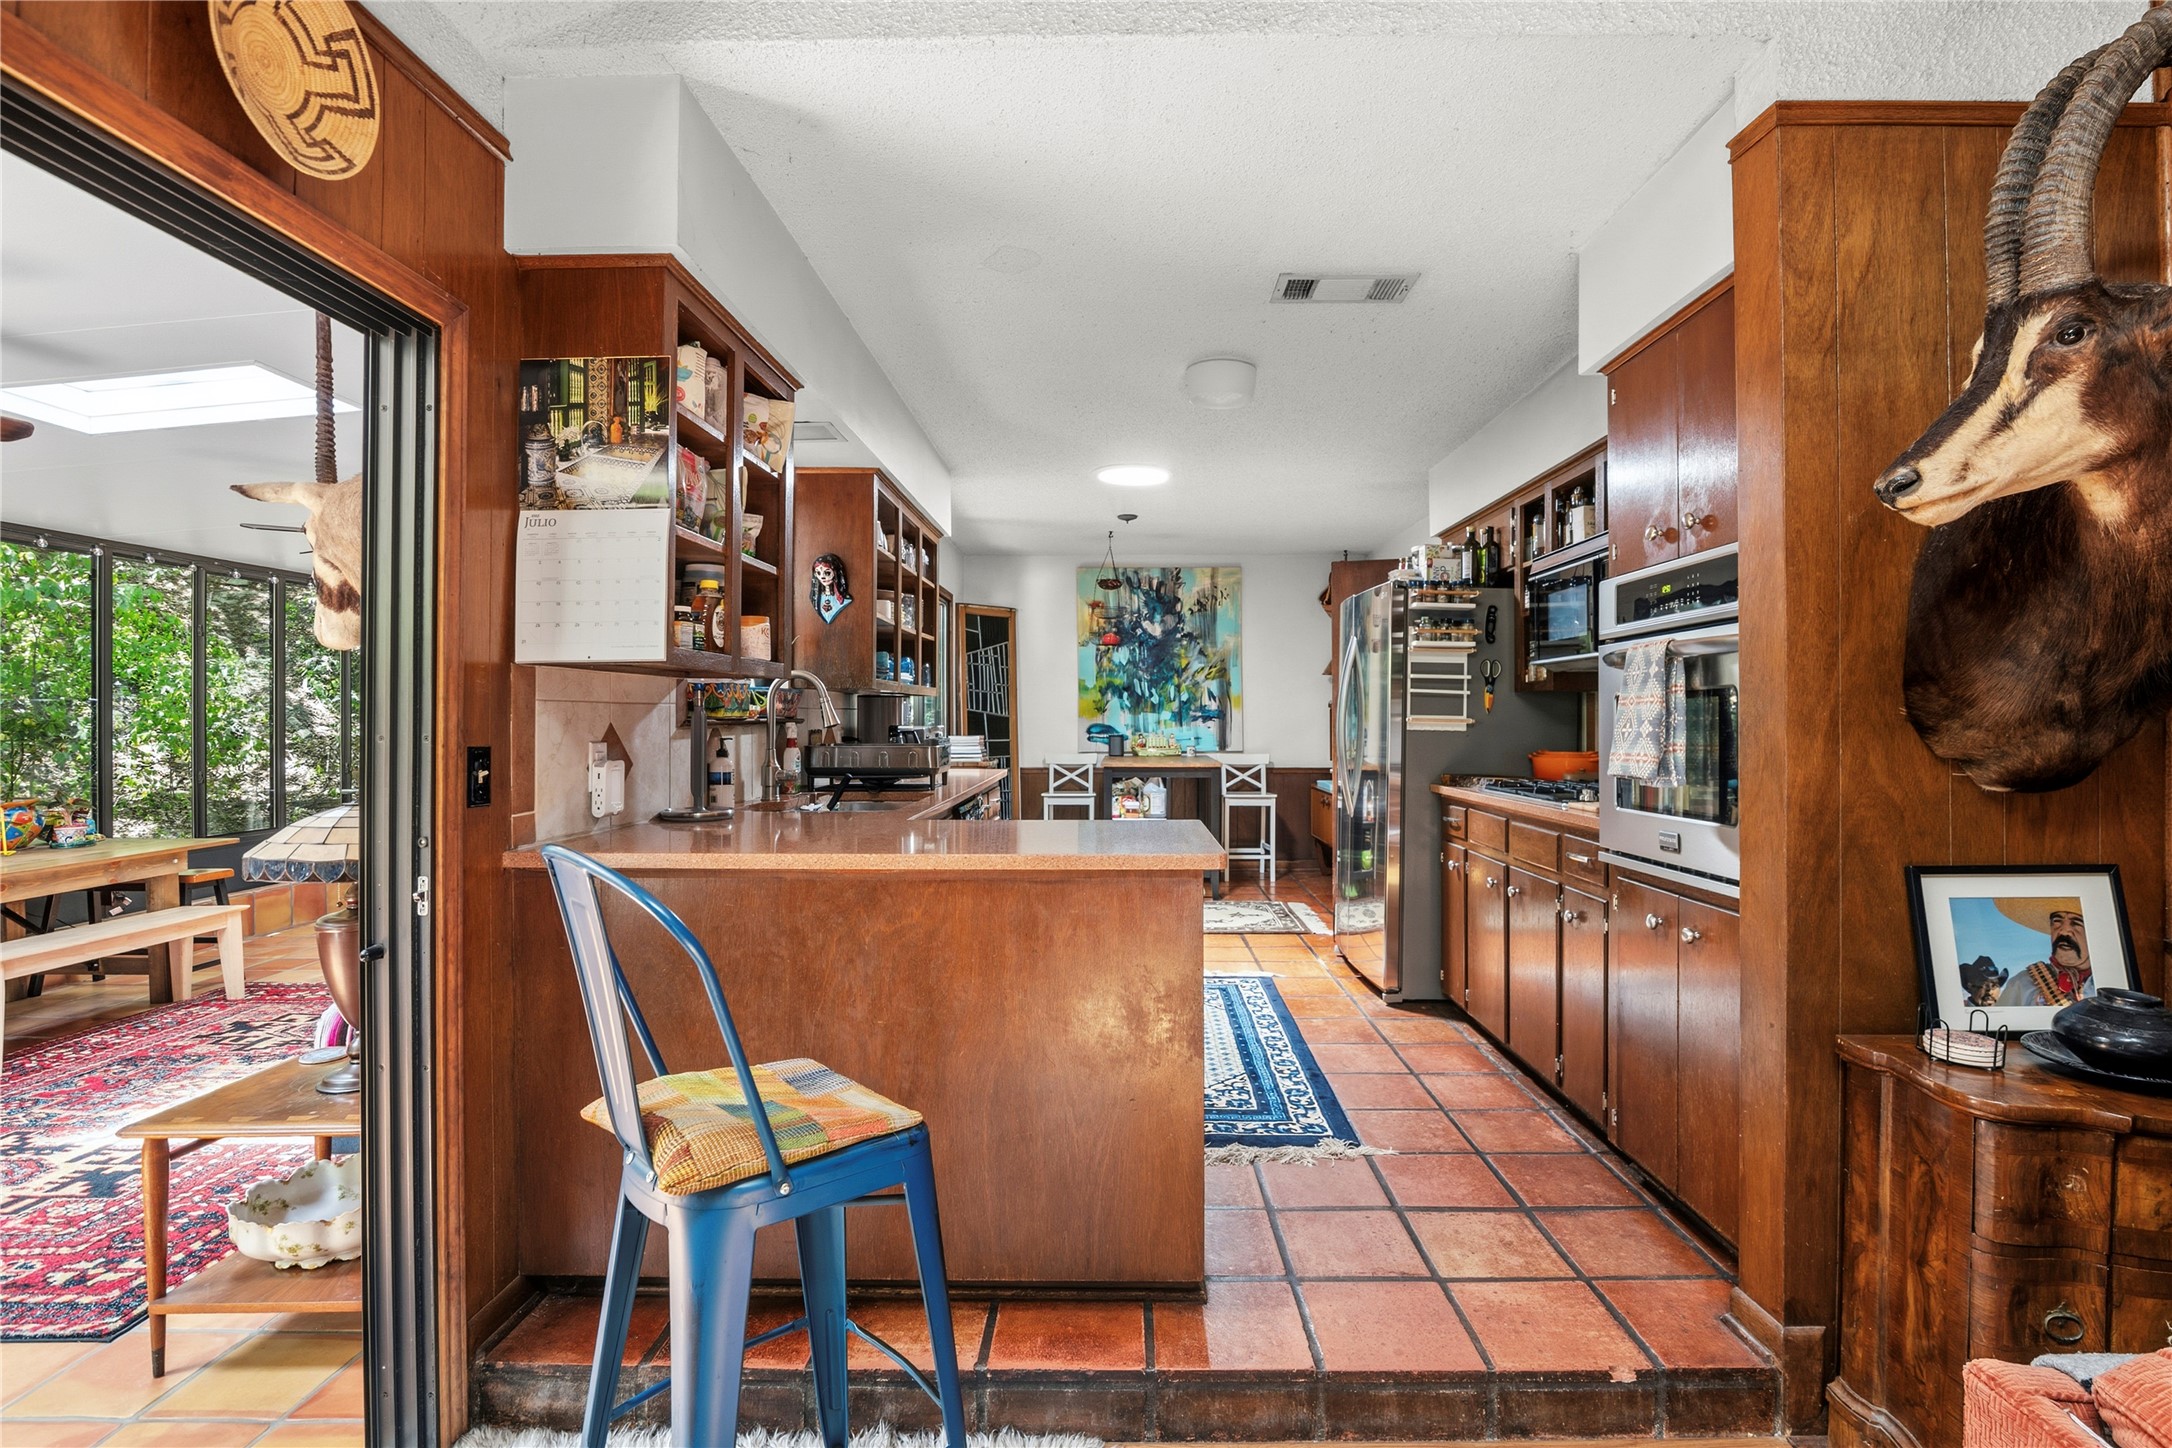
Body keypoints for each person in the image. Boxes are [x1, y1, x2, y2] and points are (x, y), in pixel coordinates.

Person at [1995, 898, 2096, 1007]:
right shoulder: (2022, 984)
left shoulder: (2108, 981)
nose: (2063, 931)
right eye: (2057, 921)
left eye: (2076, 923)